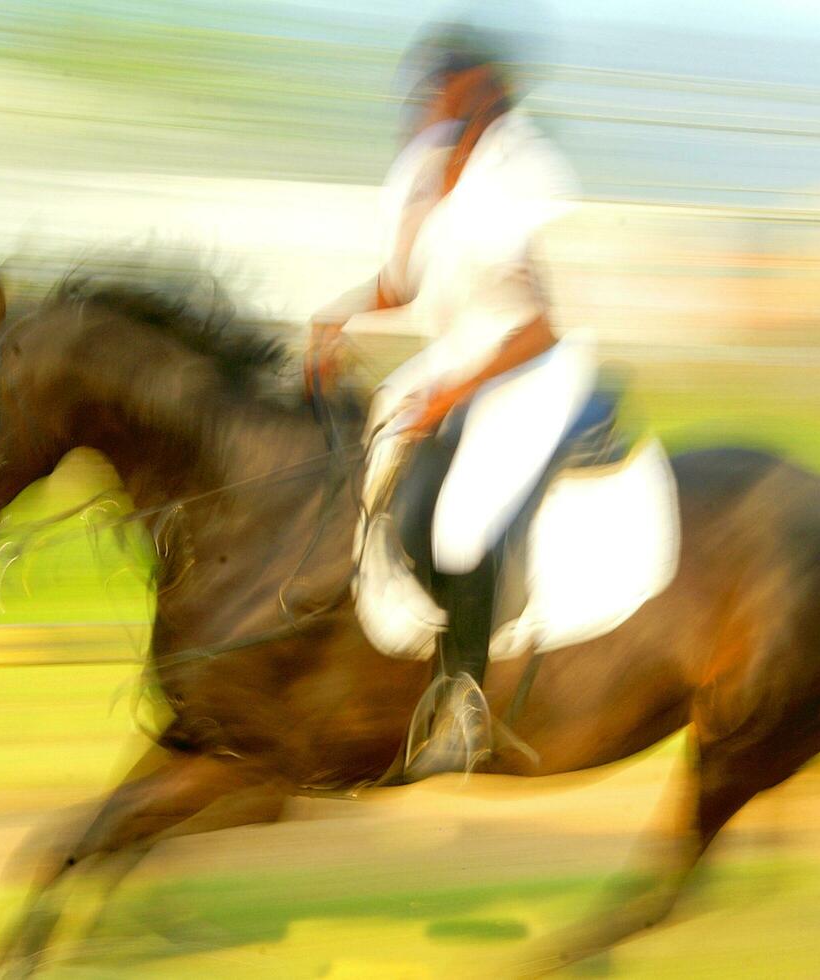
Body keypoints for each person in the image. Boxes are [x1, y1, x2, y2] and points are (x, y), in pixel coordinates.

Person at [306, 22, 592, 779]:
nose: (423, 101)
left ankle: (465, 708)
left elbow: (540, 325)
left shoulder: (526, 176)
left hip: (529, 368)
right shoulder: (424, 173)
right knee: (363, 461)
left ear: (480, 94)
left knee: (462, 526)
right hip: (454, 359)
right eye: (425, 87)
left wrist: (451, 396)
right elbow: (401, 285)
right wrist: (338, 314)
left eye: (439, 88)